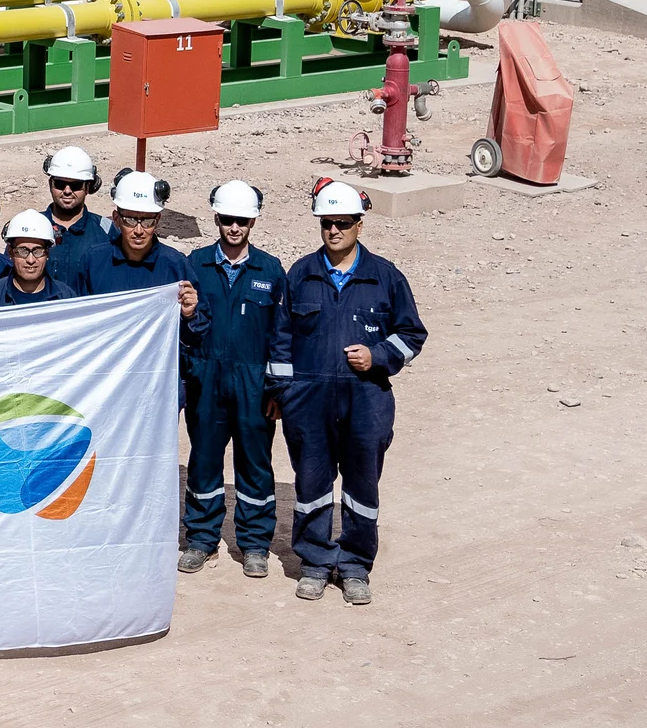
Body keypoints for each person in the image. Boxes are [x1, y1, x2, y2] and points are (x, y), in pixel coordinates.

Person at [268, 179, 428, 607]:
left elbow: (412, 334)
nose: (334, 230)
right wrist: (283, 393)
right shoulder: (301, 274)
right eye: (327, 223)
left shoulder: (385, 277)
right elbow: (280, 337)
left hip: (367, 399)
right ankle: (316, 563)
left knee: (361, 485)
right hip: (309, 401)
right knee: (312, 483)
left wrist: (377, 355)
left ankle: (355, 566)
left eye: (342, 223)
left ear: (360, 224)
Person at [178, 181, 288, 581]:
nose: (234, 227)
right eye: (227, 219)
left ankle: (255, 544)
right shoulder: (195, 264)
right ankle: (201, 539)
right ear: (216, 218)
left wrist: (277, 390)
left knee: (255, 465)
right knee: (204, 462)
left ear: (253, 221)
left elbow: (281, 334)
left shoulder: (270, 270)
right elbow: (183, 326)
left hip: (253, 386)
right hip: (206, 381)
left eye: (242, 220)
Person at [72, 171, 196, 305]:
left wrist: (190, 313)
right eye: (130, 220)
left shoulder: (176, 265)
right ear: (116, 219)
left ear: (157, 220)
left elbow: (201, 316)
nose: (139, 231)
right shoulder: (94, 261)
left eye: (147, 221)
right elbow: (77, 312)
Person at [0, 210, 77, 308]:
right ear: (10, 252)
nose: (30, 260)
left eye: (38, 251)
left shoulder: (66, 298)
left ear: (47, 253)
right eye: (22, 251)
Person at [41, 146, 111, 290]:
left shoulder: (106, 231)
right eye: (60, 184)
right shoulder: (32, 226)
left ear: (88, 187)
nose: (67, 191)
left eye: (76, 185)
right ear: (50, 184)